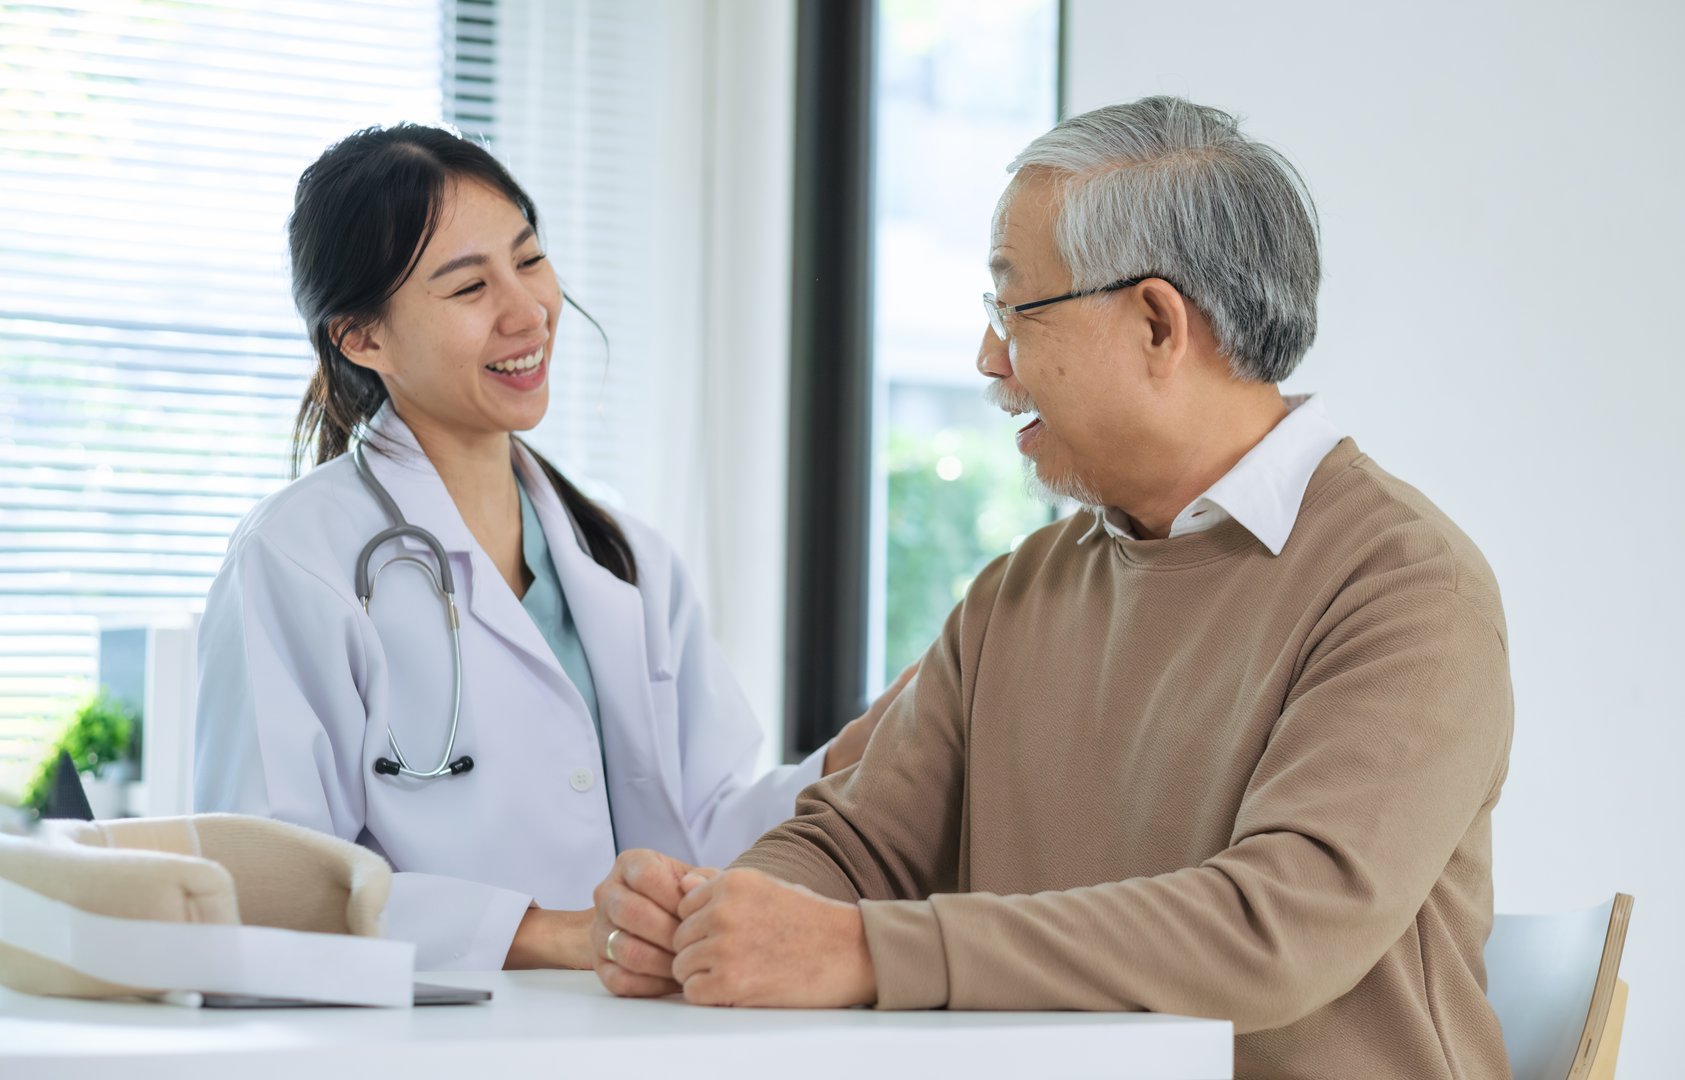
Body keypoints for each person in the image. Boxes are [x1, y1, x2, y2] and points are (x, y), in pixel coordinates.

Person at [589, 97, 1514, 1080]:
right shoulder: (1017, 592)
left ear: (1157, 323)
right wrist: (717, 919)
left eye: (1014, 309)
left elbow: (1270, 929)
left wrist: (868, 952)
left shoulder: (1403, 591)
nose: (989, 359)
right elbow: (856, 847)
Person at [194, 124, 903, 972]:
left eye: (528, 261)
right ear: (361, 337)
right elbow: (268, 883)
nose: (526, 311)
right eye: (467, 288)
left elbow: (702, 827)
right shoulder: (296, 559)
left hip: (628, 1031)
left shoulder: (621, 558)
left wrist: (859, 753)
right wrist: (555, 932)